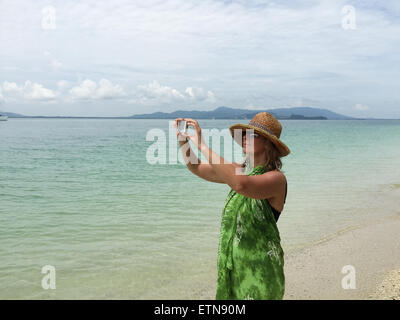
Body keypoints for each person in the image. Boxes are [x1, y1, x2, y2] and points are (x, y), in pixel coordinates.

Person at [174, 112, 290, 300]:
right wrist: (183, 140)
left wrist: (202, 143)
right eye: (244, 133)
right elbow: (196, 168)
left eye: (253, 134)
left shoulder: (276, 179)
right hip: (235, 268)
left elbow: (241, 185)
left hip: (260, 271)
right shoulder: (241, 170)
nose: (245, 137)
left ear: (269, 143)